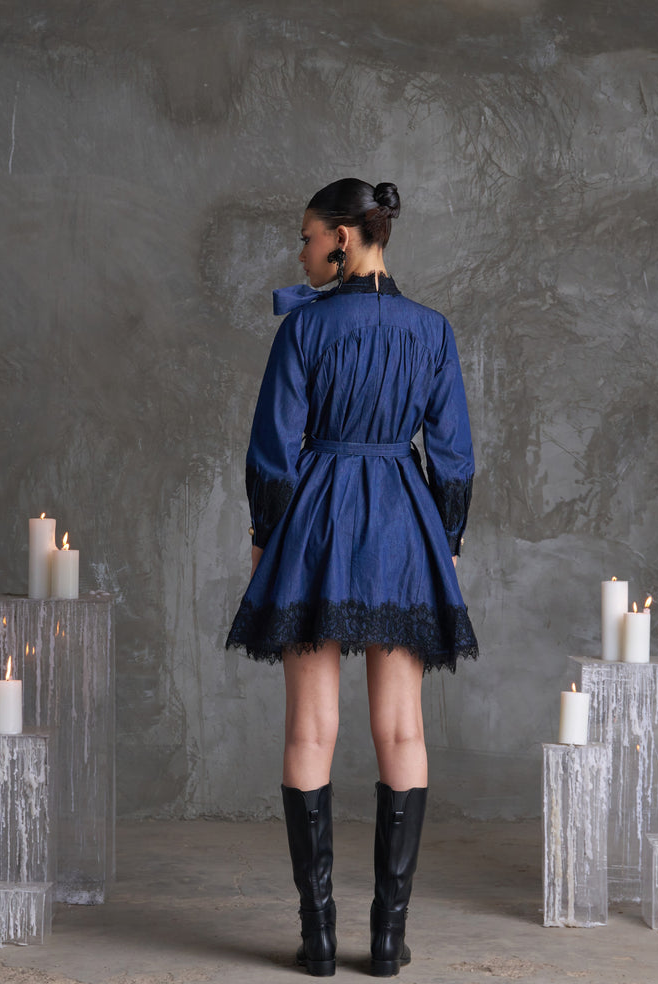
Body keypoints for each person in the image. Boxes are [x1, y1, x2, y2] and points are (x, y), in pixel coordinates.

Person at [227, 178, 477, 977]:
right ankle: (389, 940)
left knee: (310, 730)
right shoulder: (432, 331)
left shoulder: (304, 329)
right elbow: (454, 456)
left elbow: (273, 451)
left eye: (306, 237)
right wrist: (447, 539)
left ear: (342, 237)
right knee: (402, 729)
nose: (300, 253)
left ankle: (320, 938)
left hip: (316, 525)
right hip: (403, 527)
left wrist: (265, 537)